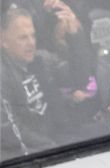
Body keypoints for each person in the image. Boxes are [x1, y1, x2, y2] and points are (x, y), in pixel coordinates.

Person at [1, 5, 69, 158]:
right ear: (4, 41)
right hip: (29, 156)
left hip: (57, 138)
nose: (31, 42)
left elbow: (79, 78)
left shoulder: (40, 60)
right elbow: (10, 131)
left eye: (33, 36)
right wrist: (53, 148)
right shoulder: (2, 76)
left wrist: (74, 37)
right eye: (23, 37)